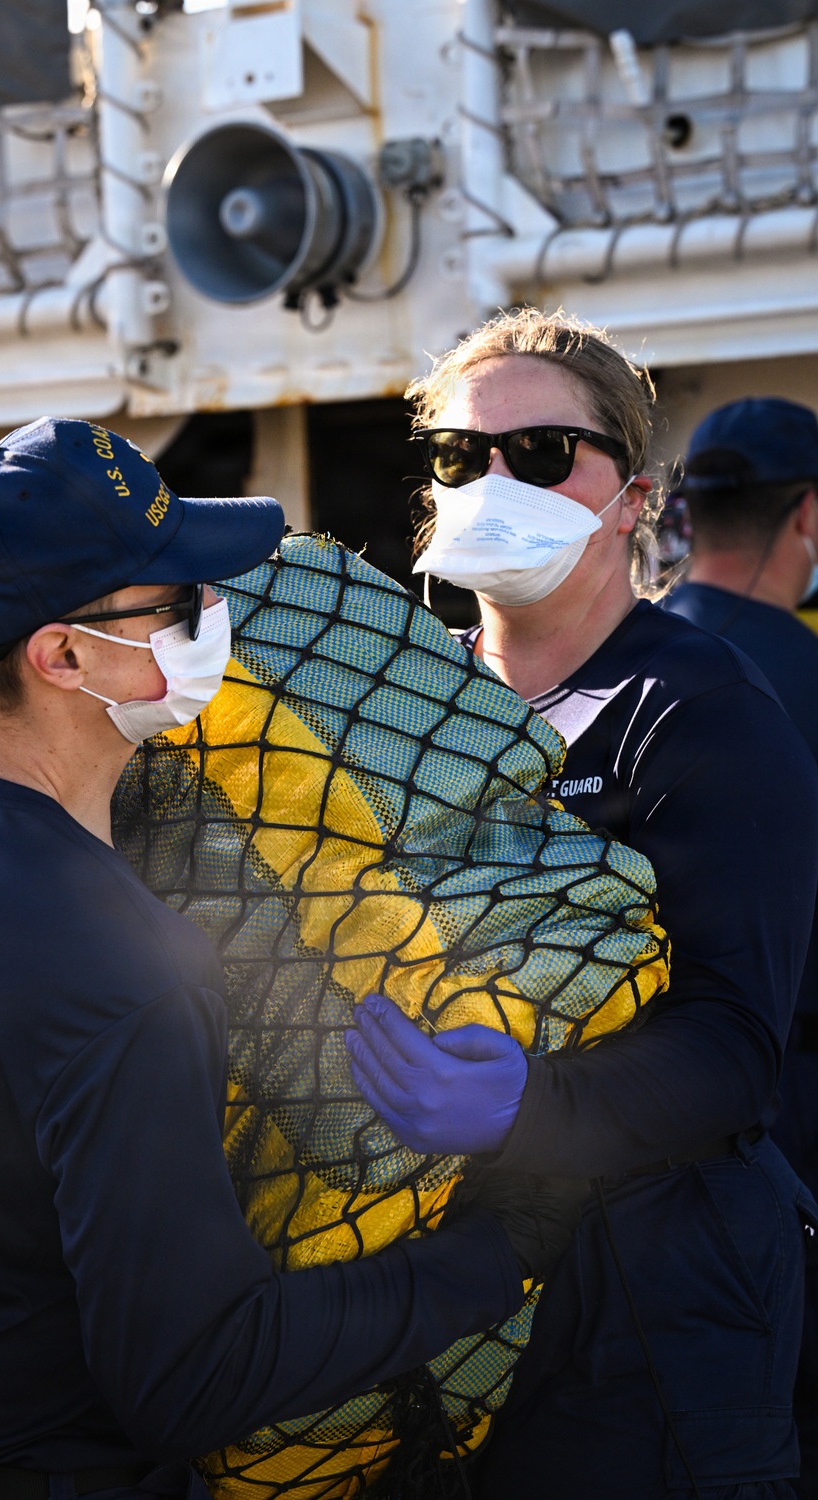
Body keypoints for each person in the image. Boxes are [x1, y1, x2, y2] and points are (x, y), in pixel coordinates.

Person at [0, 418, 583, 1500]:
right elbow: (195, 1373)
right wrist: (500, 1247)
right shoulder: (117, 968)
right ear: (63, 655)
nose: (214, 616)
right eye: (176, 603)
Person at [345, 311, 818, 1498]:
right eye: (460, 457)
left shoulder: (703, 714)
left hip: (652, 1304)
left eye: (544, 453)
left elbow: (732, 1049)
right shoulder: (405, 700)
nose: (495, 477)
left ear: (632, 498)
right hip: (429, 1288)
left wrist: (526, 1105)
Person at [661, 397, 818, 1499]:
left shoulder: (629, 662)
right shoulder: (796, 675)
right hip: (790, 1100)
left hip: (621, 1113)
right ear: (806, 516)